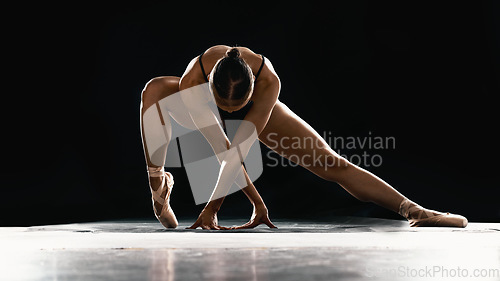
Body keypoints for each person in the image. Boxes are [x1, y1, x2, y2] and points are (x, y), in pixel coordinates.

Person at [140, 45, 468, 230]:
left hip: (245, 107)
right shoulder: (191, 83)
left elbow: (237, 152)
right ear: (210, 86)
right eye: (225, 106)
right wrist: (250, 203)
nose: (231, 113)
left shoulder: (268, 80)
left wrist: (223, 207)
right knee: (154, 90)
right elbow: (223, 151)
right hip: (198, 100)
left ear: (252, 90)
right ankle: (157, 179)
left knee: (330, 162)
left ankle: (416, 211)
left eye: (236, 107)